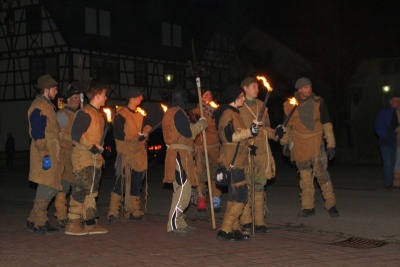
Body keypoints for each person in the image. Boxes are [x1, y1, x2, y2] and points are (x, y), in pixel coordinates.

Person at [280, 77, 339, 218]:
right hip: (299, 144)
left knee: (321, 174)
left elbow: (326, 123)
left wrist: (331, 144)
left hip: (316, 142)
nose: (308, 90)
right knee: (305, 176)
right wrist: (285, 143)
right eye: (305, 87)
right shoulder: (290, 105)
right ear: (299, 89)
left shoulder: (318, 102)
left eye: (309, 87)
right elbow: (286, 126)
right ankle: (308, 207)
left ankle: (331, 205)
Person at [214, 84, 259, 242]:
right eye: (241, 96)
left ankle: (234, 229)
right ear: (234, 98)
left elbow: (239, 138)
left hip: (237, 157)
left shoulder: (234, 113)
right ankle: (225, 229)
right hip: (232, 160)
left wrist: (249, 144)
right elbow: (230, 137)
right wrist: (250, 131)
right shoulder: (228, 113)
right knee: (241, 196)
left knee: (234, 196)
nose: (243, 99)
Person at [238, 76, 283, 234]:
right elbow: (237, 131)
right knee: (245, 186)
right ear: (245, 88)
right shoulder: (239, 105)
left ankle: (259, 221)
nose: (257, 89)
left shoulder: (262, 106)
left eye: (258, 86)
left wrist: (276, 133)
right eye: (254, 86)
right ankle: (245, 220)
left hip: (262, 151)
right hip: (246, 150)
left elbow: (266, 129)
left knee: (259, 186)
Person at [162, 86, 208, 236]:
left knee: (181, 189)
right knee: (183, 190)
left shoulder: (170, 112)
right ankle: (173, 224)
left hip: (179, 154)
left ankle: (180, 222)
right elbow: (188, 133)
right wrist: (201, 124)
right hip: (179, 155)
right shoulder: (178, 113)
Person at [64, 80, 108, 235]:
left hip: (94, 159)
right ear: (97, 95)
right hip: (83, 158)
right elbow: (76, 134)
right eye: (103, 95)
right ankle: (73, 223)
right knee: (81, 191)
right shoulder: (85, 113)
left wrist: (98, 148)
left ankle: (90, 223)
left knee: (91, 192)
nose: (105, 98)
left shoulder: (98, 115)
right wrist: (92, 146)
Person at [107, 87, 152, 222]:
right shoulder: (121, 115)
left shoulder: (140, 115)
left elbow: (141, 132)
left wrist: (146, 130)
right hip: (126, 155)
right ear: (133, 97)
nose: (142, 98)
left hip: (138, 155)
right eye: (140, 96)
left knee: (137, 183)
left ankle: (134, 210)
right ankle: (113, 212)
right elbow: (118, 135)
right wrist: (135, 138)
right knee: (120, 182)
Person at [26, 74, 61, 233]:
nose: (56, 91)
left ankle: (32, 219)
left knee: (52, 186)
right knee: (47, 186)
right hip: (44, 153)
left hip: (52, 151)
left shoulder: (48, 107)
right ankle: (40, 222)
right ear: (46, 89)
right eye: (54, 88)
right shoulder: (39, 107)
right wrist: (45, 155)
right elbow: (38, 134)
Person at [189, 89, 222, 214]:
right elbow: (192, 129)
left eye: (210, 94)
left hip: (214, 148)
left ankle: (216, 201)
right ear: (200, 97)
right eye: (205, 95)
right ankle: (201, 201)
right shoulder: (195, 111)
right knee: (200, 176)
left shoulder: (216, 111)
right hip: (201, 148)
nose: (208, 97)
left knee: (215, 175)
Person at [54, 83, 81, 228]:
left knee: (78, 188)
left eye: (78, 98)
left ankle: (75, 215)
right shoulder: (62, 115)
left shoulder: (79, 114)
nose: (77, 100)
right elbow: (57, 135)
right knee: (63, 187)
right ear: (68, 99)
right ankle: (61, 215)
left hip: (77, 156)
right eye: (74, 98)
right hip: (65, 156)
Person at [375, 93, 400, 189]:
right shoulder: (384, 112)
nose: (398, 103)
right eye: (396, 101)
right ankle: (388, 183)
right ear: (390, 102)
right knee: (388, 162)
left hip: (397, 142)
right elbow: (378, 126)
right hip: (386, 141)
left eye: (399, 101)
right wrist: (384, 136)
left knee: (396, 162)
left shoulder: (398, 112)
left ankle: (395, 181)